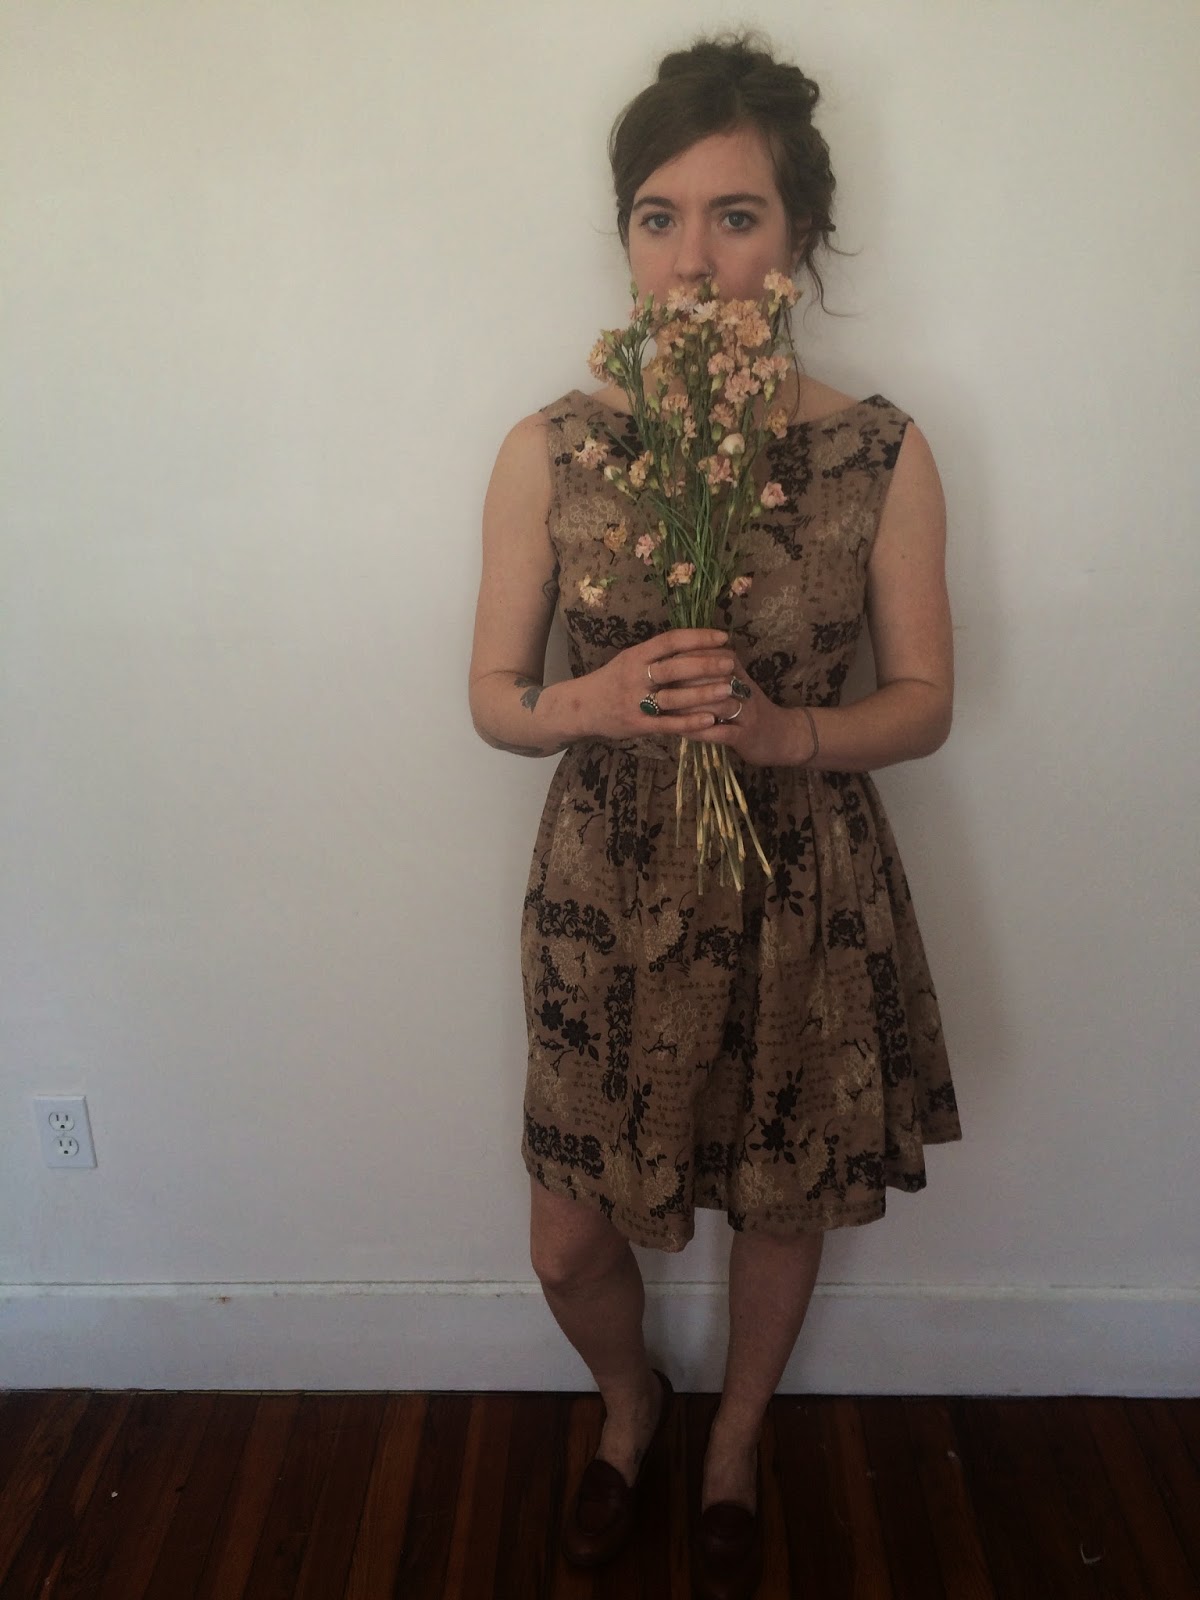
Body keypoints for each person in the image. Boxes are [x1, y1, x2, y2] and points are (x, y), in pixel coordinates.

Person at [468, 31, 962, 1600]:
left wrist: (789, 730)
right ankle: (633, 1406)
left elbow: (924, 702)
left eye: (736, 216)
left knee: (778, 1194)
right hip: (605, 898)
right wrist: (596, 702)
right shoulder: (553, 449)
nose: (695, 260)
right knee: (568, 1237)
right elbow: (492, 696)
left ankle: (738, 1438)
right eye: (659, 216)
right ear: (626, 236)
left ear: (799, 236)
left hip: (800, 884)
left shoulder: (879, 453)